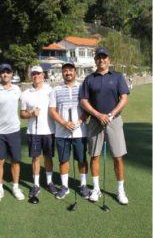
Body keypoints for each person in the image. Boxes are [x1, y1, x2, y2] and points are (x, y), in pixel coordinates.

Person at [80, 47, 129, 205]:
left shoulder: (118, 76)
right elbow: (83, 101)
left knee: (118, 157)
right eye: (99, 58)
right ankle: (96, 189)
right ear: (95, 60)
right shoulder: (89, 79)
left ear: (109, 60)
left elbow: (124, 99)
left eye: (104, 57)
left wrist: (110, 114)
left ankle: (120, 190)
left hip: (113, 121)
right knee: (94, 156)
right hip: (95, 121)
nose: (101, 60)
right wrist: (98, 115)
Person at [0, 63, 25, 203]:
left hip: (14, 130)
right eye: (3, 72)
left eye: (8, 72)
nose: (5, 74)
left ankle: (15, 187)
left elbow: (25, 102)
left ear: (12, 74)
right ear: (0, 74)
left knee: (15, 161)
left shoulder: (17, 89)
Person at [49, 62, 90, 200]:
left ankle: (83, 185)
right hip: (61, 132)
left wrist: (78, 122)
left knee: (81, 159)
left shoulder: (82, 88)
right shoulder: (55, 90)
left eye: (70, 70)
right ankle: (64, 186)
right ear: (62, 73)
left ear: (75, 72)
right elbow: (52, 110)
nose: (68, 73)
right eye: (65, 71)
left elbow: (87, 109)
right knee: (63, 160)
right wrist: (64, 123)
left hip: (80, 132)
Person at [20, 66, 57, 198]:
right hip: (33, 131)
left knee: (48, 156)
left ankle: (49, 182)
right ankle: (36, 185)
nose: (36, 76)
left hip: (49, 130)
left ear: (43, 75)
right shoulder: (25, 93)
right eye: (33, 74)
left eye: (38, 74)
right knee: (36, 158)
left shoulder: (51, 91)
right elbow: (22, 114)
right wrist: (30, 113)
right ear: (31, 76)